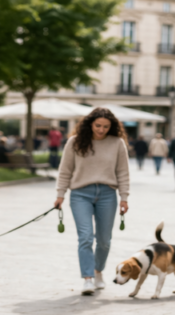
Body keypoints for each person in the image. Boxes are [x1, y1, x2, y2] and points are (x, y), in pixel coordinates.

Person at [54, 107, 130, 295]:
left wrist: (124, 197)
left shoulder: (117, 143)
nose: (101, 129)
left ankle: (98, 272)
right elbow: (65, 170)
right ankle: (87, 278)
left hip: (107, 194)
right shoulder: (75, 142)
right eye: (98, 125)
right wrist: (60, 195)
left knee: (104, 240)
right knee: (86, 236)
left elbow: (123, 172)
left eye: (105, 126)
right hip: (80, 194)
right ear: (90, 124)